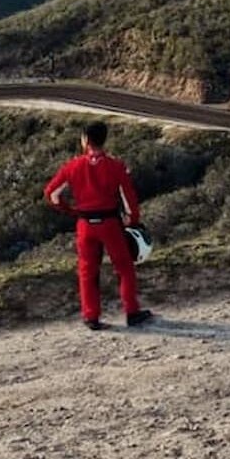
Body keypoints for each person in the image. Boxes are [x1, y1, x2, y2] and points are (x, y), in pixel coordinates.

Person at [44, 122, 153, 330]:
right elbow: (128, 198)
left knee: (87, 270)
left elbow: (51, 194)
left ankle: (91, 316)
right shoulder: (116, 166)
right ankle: (132, 312)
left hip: (85, 224)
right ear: (104, 139)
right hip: (110, 223)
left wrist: (72, 211)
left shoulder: (72, 166)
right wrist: (133, 219)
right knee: (124, 267)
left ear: (85, 140)